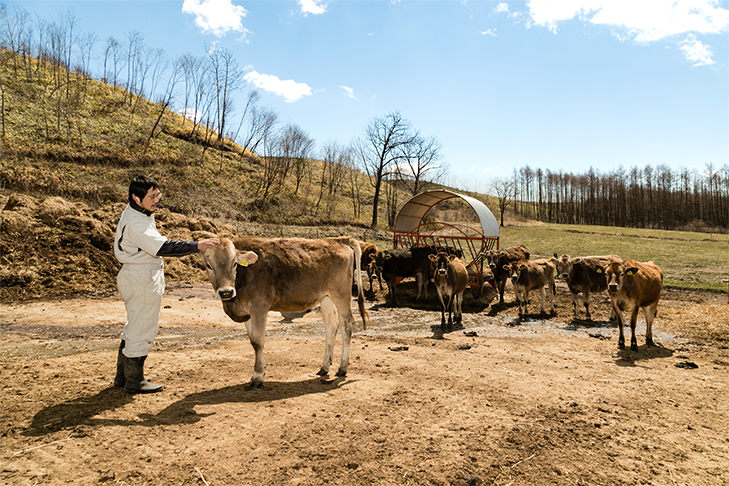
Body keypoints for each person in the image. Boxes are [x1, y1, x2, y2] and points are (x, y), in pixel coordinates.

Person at [113, 175, 219, 394]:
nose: (156, 200)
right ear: (136, 197)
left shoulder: (137, 212)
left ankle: (124, 376)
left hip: (139, 274)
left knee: (135, 324)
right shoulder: (136, 223)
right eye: (152, 196)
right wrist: (196, 245)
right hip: (141, 277)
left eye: (157, 195)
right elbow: (164, 248)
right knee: (142, 327)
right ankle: (134, 380)